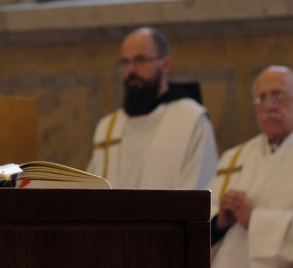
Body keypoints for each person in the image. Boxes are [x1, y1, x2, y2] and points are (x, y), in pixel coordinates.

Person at [209, 65, 293, 268]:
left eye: (278, 96)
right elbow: (202, 219)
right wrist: (219, 221)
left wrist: (255, 220)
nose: (269, 106)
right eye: (261, 98)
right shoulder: (233, 157)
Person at [86, 27, 218, 188]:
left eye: (140, 60)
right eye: (125, 62)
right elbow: (91, 191)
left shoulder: (191, 120)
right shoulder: (108, 127)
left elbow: (199, 189)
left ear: (166, 64)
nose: (131, 70)